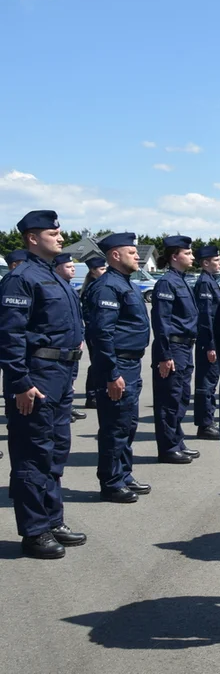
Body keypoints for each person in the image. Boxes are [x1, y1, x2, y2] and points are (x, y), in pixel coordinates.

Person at [0, 211, 86, 559]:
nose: (61, 237)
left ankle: (52, 519)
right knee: (33, 453)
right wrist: (20, 382)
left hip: (61, 376)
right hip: (36, 376)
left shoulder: (54, 277)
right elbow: (10, 335)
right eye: (54, 233)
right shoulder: (21, 279)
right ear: (33, 238)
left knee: (54, 450)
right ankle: (34, 531)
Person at [85, 233, 153, 503]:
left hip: (131, 363)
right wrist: (112, 373)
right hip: (118, 364)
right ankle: (111, 481)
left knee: (127, 424)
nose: (138, 256)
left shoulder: (124, 283)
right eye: (131, 252)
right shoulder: (107, 287)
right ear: (115, 255)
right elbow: (102, 334)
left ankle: (123, 474)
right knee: (114, 426)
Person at [150, 236, 200, 464]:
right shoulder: (167, 283)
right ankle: (168, 447)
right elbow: (162, 322)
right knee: (169, 399)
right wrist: (165, 354)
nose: (192, 257)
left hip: (185, 347)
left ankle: (177, 440)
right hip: (173, 347)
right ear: (174, 256)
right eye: (187, 253)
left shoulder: (181, 281)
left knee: (181, 397)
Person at [193, 245, 220, 440]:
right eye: (216, 260)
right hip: (207, 342)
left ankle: (208, 420)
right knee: (206, 383)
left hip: (212, 341)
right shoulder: (204, 283)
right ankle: (205, 424)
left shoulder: (210, 281)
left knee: (211, 382)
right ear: (205, 263)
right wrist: (211, 344)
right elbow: (206, 316)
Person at [53, 253, 88, 421]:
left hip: (73, 345)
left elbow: (77, 318)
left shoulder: (70, 289)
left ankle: (67, 407)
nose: (73, 268)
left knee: (70, 379)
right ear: (58, 268)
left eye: (73, 266)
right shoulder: (55, 287)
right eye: (68, 266)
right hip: (59, 347)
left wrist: (80, 337)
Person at [80, 255, 107, 410]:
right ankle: (92, 396)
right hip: (94, 333)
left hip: (96, 331)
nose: (105, 272)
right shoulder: (92, 288)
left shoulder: (99, 286)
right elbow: (88, 314)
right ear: (92, 271)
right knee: (96, 363)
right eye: (102, 269)